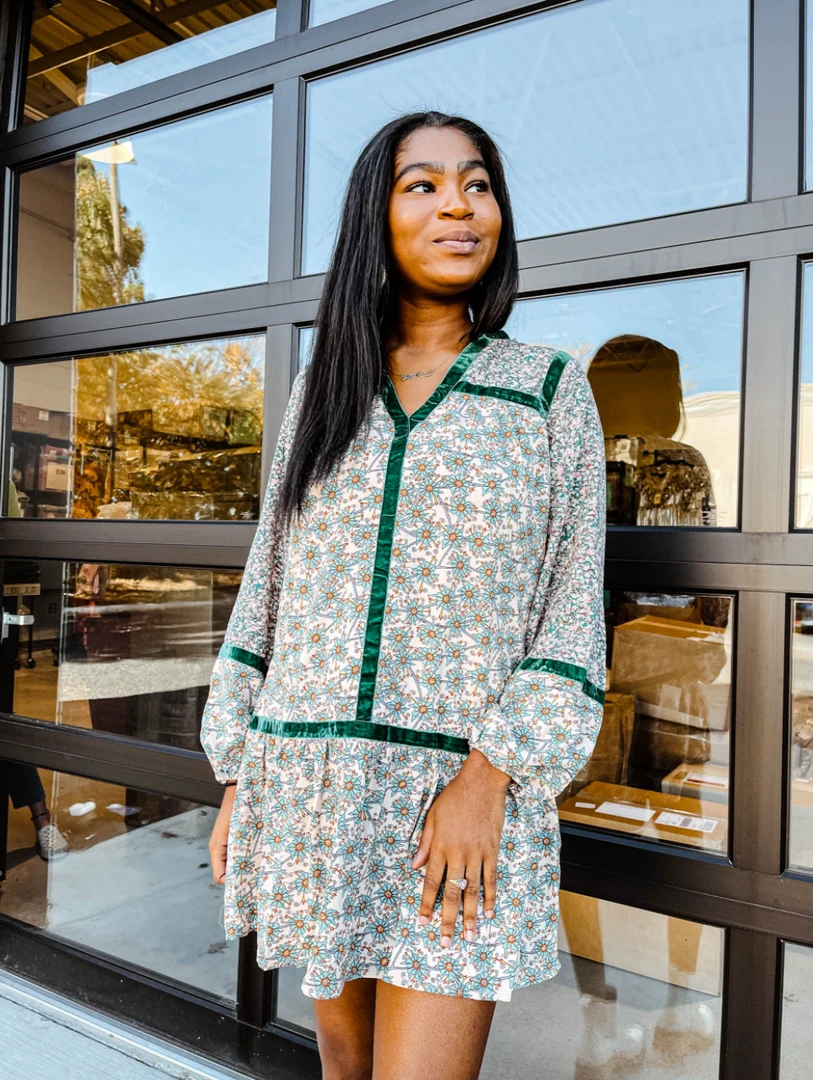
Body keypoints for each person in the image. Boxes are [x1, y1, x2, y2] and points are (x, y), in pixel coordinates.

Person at [200, 111, 607, 1080]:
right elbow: (270, 584)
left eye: (477, 184)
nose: (458, 206)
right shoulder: (323, 390)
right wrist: (239, 773)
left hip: (453, 807)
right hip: (312, 790)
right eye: (422, 184)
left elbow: (571, 609)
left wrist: (487, 779)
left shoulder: (546, 389)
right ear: (374, 218)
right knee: (344, 1072)